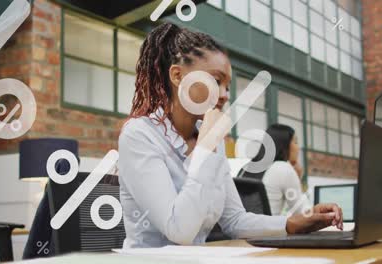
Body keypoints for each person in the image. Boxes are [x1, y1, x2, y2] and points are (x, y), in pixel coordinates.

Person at [118, 22, 343, 248]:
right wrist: (205, 149)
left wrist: (292, 223)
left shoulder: (210, 140)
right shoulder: (139, 135)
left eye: (227, 86)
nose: (225, 95)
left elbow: (235, 220)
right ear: (177, 76)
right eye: (216, 81)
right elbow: (179, 230)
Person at [240, 124, 310, 216]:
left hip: (243, 228)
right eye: (295, 142)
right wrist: (298, 179)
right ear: (284, 144)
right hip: (267, 229)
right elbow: (304, 213)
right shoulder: (283, 168)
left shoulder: (247, 168)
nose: (298, 148)